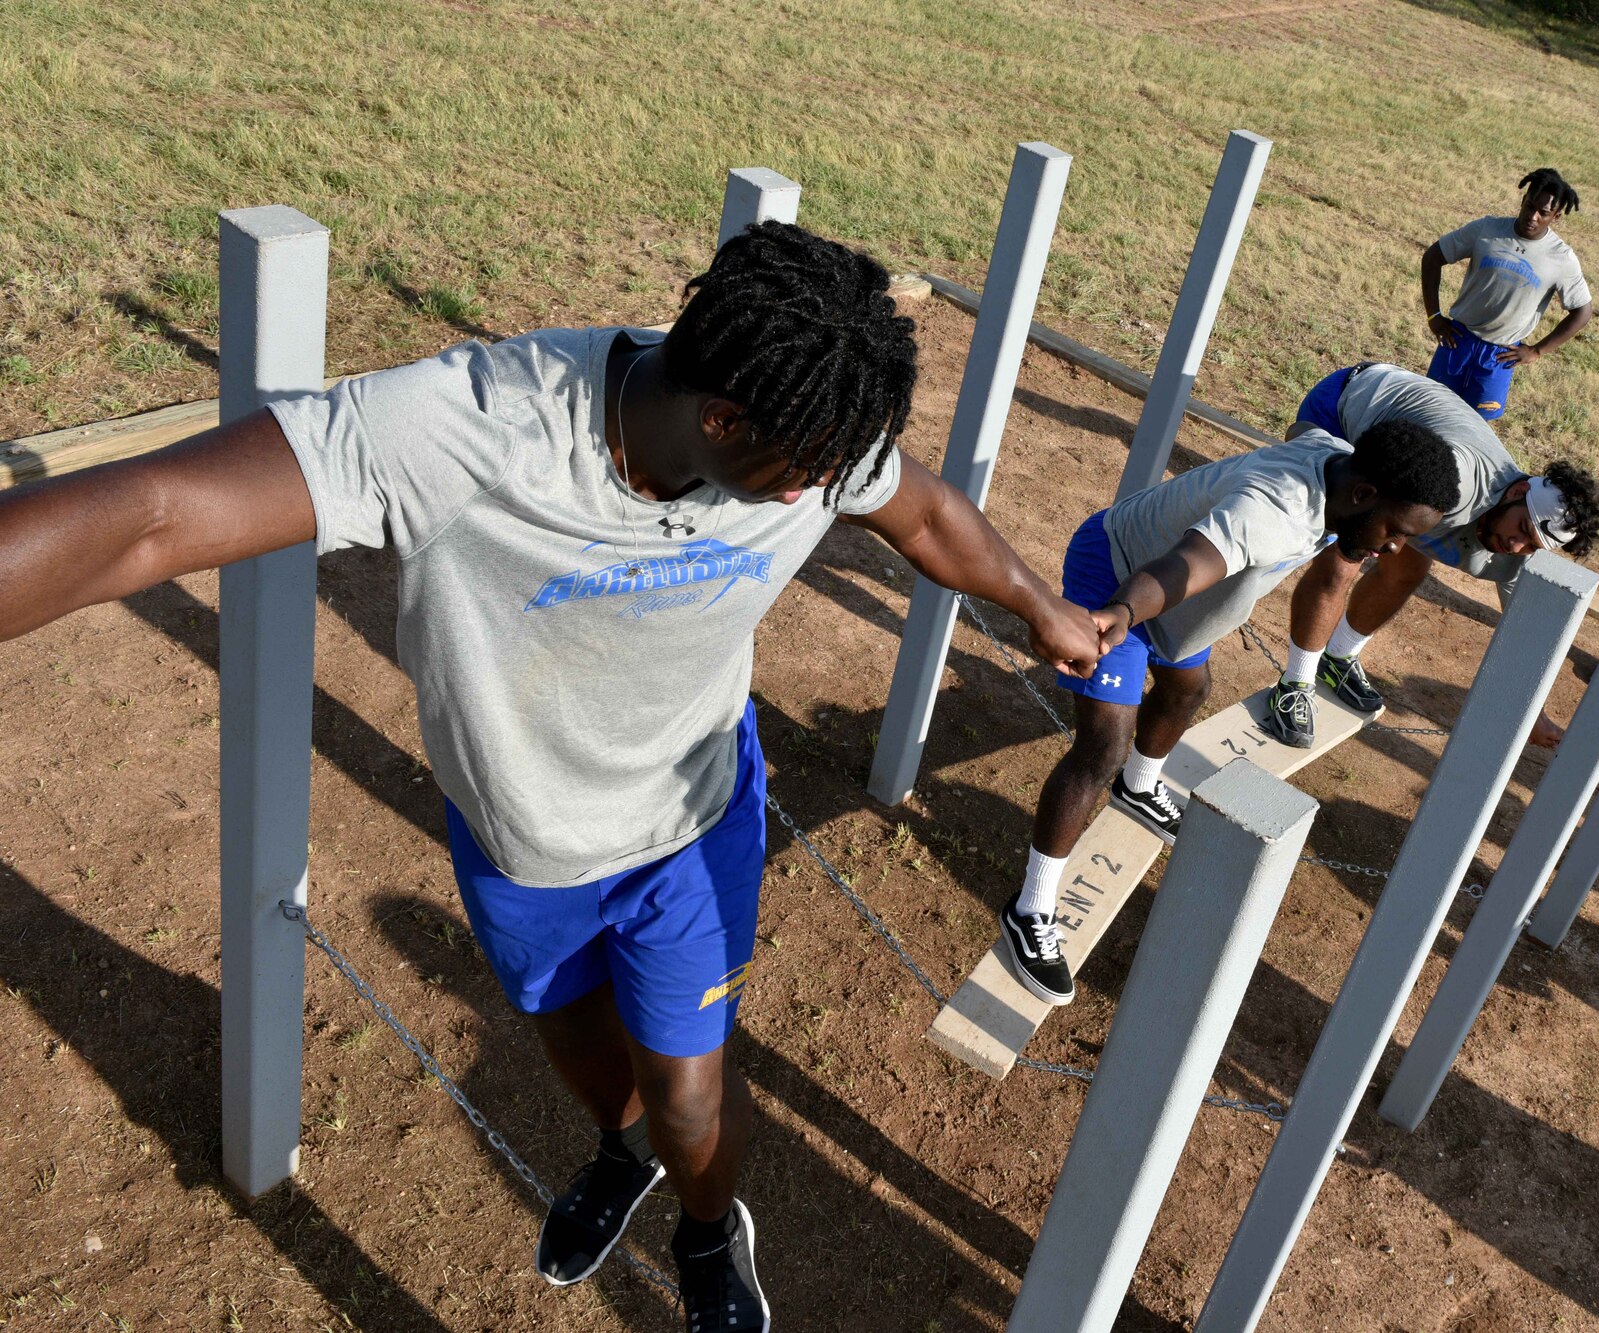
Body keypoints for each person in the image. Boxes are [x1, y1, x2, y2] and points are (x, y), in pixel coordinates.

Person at [0, 222, 1103, 1329]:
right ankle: (621, 1155)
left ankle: (710, 1232)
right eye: (805, 474)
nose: (819, 495)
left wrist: (1037, 606)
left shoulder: (812, 425)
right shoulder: (469, 428)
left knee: (688, 1090)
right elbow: (147, 521)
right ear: (721, 417)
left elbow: (921, 512)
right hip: (520, 841)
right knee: (585, 1053)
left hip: (688, 824)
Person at [993, 419, 1461, 1005]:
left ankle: (1138, 787)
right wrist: (1120, 614)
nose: (1393, 549)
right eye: (1394, 532)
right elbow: (1184, 564)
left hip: (1185, 603)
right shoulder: (1269, 512)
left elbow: (1308, 431)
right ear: (1364, 495)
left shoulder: (1340, 465)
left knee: (1188, 689)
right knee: (1101, 747)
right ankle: (1030, 907)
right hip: (1122, 577)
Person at [1274, 361, 1599, 749]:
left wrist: (1531, 711)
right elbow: (1377, 504)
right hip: (1352, 403)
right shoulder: (1460, 481)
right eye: (1521, 531)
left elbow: (1525, 638)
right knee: (1345, 554)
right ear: (1516, 494)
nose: (1517, 548)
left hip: (1414, 452)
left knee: (1409, 566)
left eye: (1533, 545)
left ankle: (1338, 658)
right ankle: (1296, 682)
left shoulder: (1520, 554)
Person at [1421, 168, 1594, 420]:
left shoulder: (1561, 258)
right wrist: (1433, 316)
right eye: (1529, 205)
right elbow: (1433, 257)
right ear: (1523, 200)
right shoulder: (1487, 229)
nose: (1532, 216)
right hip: (1457, 339)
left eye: (1543, 213)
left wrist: (1536, 351)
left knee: (1476, 426)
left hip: (1500, 355)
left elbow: (1583, 312)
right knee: (1429, 412)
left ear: (1555, 216)